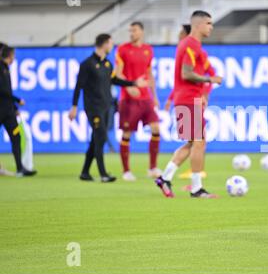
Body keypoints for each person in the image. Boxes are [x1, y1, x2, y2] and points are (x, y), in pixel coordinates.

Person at [155, 11, 222, 198]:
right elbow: (186, 74)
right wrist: (210, 80)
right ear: (198, 25)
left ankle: (165, 177)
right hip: (188, 99)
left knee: (193, 143)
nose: (211, 26)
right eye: (208, 23)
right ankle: (196, 188)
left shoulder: (193, 45)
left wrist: (204, 91)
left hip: (188, 98)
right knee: (199, 142)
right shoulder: (191, 45)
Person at [69, 34, 148, 183]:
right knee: (100, 137)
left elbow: (114, 80)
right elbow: (78, 86)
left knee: (95, 139)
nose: (112, 46)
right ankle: (103, 173)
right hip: (93, 108)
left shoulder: (107, 64)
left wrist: (133, 83)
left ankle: (85, 172)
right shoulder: (87, 64)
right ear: (104, 44)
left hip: (106, 107)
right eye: (110, 43)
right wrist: (74, 106)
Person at [115, 21, 161, 181]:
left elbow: (149, 74)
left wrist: (154, 96)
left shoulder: (148, 50)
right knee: (127, 134)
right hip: (128, 99)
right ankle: (126, 171)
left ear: (141, 31)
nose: (131, 33)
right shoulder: (123, 49)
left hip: (146, 98)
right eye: (130, 31)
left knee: (156, 128)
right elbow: (117, 73)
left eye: (134, 30)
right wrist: (128, 88)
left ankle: (152, 168)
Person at [0, 44, 36, 177]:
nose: (14, 58)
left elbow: (6, 91)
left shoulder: (6, 69)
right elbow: (2, 91)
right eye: (13, 55)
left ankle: (20, 168)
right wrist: (17, 99)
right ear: (9, 56)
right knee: (16, 138)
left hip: (8, 113)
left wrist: (14, 108)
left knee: (16, 137)